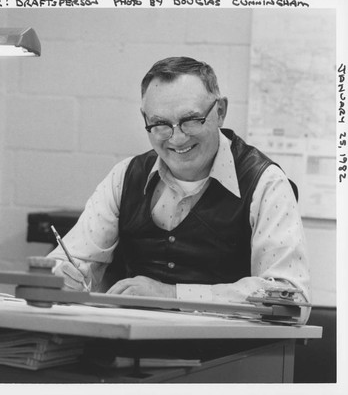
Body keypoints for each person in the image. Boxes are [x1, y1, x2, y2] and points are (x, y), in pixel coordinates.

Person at [48, 56, 310, 319]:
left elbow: (291, 300)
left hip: (227, 355)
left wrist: (171, 294)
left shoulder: (265, 183)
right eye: (161, 124)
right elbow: (65, 262)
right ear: (145, 118)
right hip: (129, 348)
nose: (177, 138)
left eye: (191, 120)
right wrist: (63, 275)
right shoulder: (125, 177)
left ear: (220, 112)